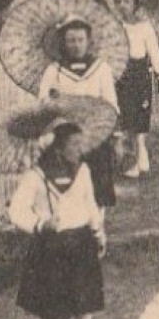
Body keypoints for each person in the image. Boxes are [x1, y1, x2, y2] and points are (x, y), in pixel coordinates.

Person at [7, 122, 106, 319]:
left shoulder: (83, 170)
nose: (79, 150)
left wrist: (98, 231)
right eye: (74, 145)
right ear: (59, 148)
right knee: (52, 302)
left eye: (80, 144)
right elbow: (16, 210)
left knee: (85, 300)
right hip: (51, 244)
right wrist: (40, 224)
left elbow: (90, 203)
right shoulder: (36, 176)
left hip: (81, 239)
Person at [37, 18, 119, 225]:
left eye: (80, 40)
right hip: (66, 136)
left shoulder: (101, 68)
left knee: (98, 179)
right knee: (70, 181)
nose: (76, 45)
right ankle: (72, 226)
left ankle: (97, 227)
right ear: (63, 42)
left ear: (88, 41)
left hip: (94, 133)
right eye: (71, 40)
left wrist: (108, 127)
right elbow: (43, 103)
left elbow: (110, 102)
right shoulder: (54, 71)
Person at [110, 0, 159, 178]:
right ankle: (132, 158)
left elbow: (154, 50)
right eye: (119, 2)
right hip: (121, 75)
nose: (123, 5)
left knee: (141, 115)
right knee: (126, 116)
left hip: (139, 73)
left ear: (135, 4)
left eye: (127, 1)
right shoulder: (115, 26)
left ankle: (142, 154)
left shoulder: (144, 27)